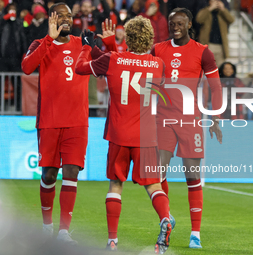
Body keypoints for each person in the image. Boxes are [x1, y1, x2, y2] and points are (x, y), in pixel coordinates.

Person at [75, 16, 172, 254]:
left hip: (119, 134)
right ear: (151, 39)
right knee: (153, 185)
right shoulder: (159, 64)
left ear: (127, 37)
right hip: (147, 136)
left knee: (116, 184)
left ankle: (112, 241)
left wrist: (87, 46)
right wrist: (108, 48)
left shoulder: (113, 59)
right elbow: (129, 66)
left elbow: (82, 67)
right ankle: (165, 218)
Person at [21, 2, 109, 245]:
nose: (66, 20)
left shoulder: (83, 45)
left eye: (69, 16)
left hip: (77, 122)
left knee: (72, 172)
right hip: (49, 121)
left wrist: (109, 45)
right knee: (49, 175)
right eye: (61, 16)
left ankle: (63, 232)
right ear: (51, 19)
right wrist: (48, 40)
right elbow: (27, 67)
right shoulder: (39, 44)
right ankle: (46, 227)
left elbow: (107, 66)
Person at [150, 8, 223, 249]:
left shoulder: (203, 52)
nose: (175, 27)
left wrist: (215, 117)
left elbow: (216, 87)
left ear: (189, 24)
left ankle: (195, 234)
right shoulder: (158, 49)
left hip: (190, 121)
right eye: (172, 23)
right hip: (163, 120)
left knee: (192, 177)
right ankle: (167, 217)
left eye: (180, 23)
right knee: (157, 175)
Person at [196, 0, 235, 67]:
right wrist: (210, 8)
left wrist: (223, 9)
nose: (216, 3)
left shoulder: (222, 13)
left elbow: (231, 20)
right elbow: (199, 19)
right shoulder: (206, 11)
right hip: (207, 45)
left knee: (219, 71)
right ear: (209, 2)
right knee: (206, 69)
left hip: (220, 46)